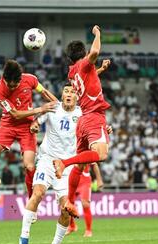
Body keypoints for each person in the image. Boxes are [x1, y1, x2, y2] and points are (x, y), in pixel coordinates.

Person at [53, 25, 112, 218]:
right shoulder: (86, 63)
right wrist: (97, 34)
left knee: (80, 166)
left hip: (83, 121)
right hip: (94, 116)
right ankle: (64, 162)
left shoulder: (72, 72)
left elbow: (86, 78)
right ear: (84, 54)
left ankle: (69, 200)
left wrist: (99, 70)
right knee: (100, 155)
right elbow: (95, 51)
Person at [18, 85, 80, 244]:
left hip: (67, 166)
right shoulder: (53, 108)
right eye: (66, 91)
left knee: (66, 208)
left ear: (77, 97)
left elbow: (95, 129)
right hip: (47, 160)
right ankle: (24, 237)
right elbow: (36, 122)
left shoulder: (82, 114)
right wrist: (34, 127)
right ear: (62, 94)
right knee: (37, 194)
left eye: (72, 92)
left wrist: (106, 130)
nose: (68, 94)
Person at [0, 60, 57, 199]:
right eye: (9, 84)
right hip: (8, 125)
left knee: (29, 167)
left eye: (15, 84)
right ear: (4, 78)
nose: (12, 87)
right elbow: (15, 114)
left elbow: (45, 92)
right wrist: (40, 109)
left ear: (20, 78)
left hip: (26, 128)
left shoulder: (30, 79)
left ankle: (31, 202)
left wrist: (60, 107)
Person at [66, 163, 103, 237]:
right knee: (67, 204)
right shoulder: (67, 152)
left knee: (85, 204)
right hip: (72, 180)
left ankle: (88, 230)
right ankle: (72, 226)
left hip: (84, 182)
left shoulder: (84, 151)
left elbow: (94, 164)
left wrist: (99, 180)